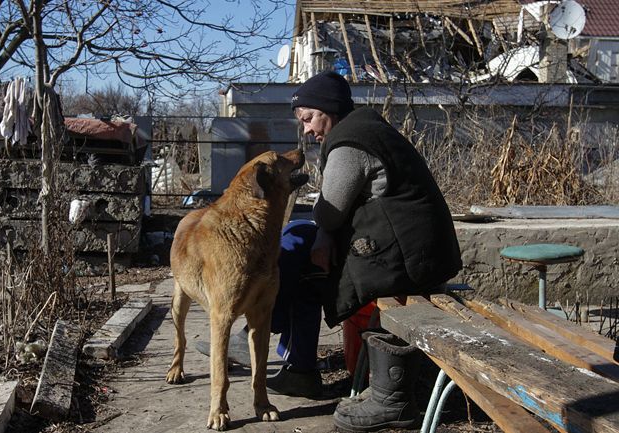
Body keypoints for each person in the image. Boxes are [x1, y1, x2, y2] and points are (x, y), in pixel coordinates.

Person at [198, 70, 463, 431]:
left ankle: (261, 334)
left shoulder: (350, 142)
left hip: (405, 258)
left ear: (329, 109)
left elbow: (328, 210)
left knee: (294, 247)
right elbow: (334, 211)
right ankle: (297, 366)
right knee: (301, 248)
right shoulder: (364, 128)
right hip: (411, 250)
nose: (306, 129)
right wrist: (322, 233)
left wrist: (322, 233)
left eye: (308, 118)